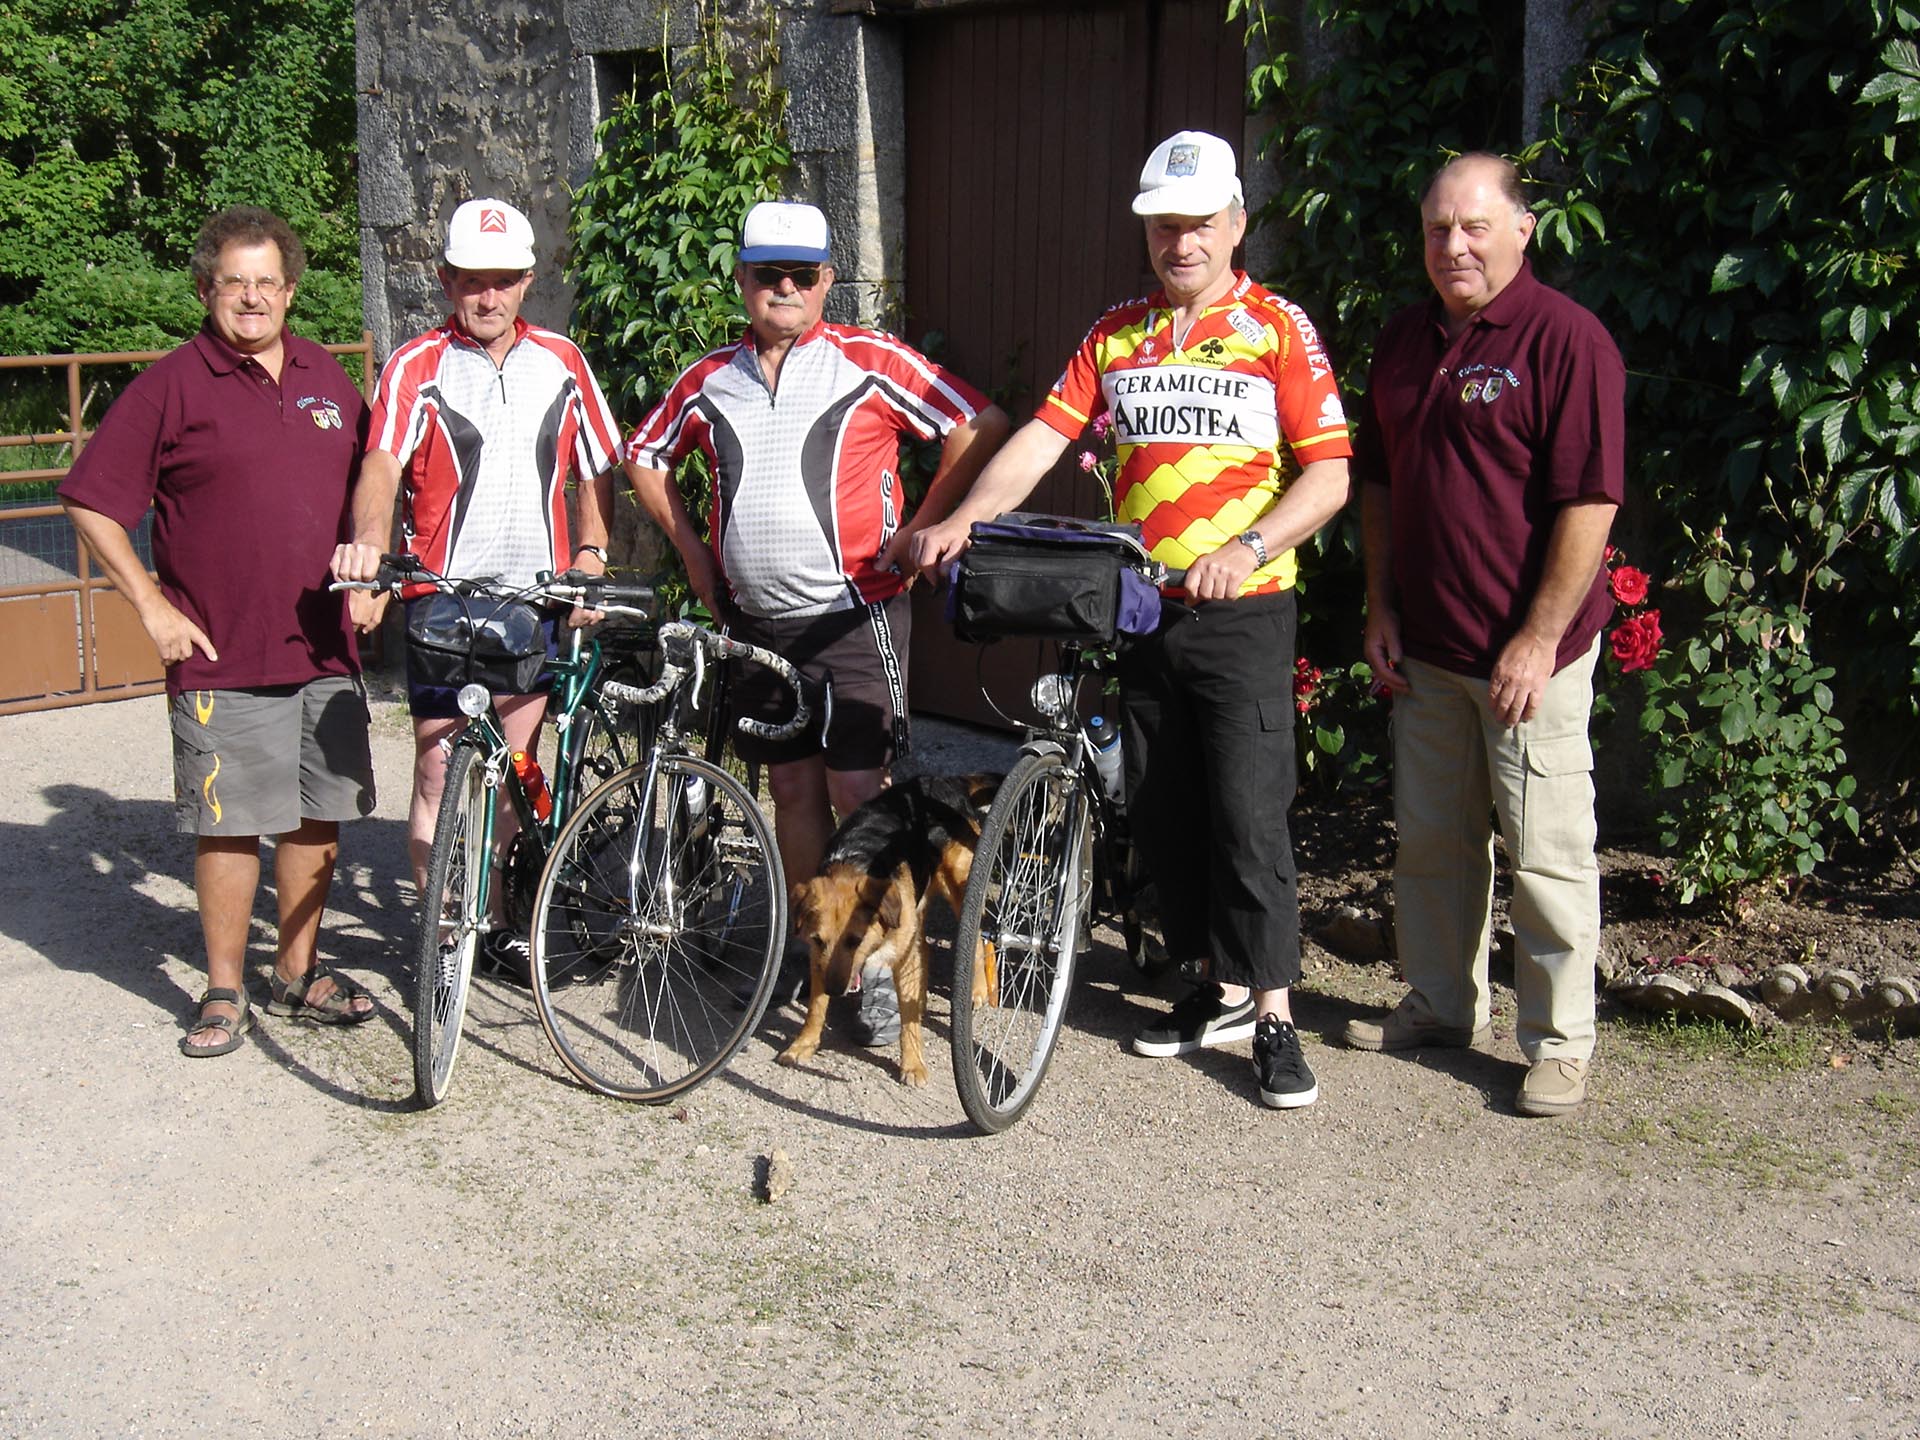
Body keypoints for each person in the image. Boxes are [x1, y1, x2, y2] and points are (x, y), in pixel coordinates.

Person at [914, 131, 1352, 1109]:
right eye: (1163, 225)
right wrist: (959, 519)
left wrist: (1250, 546)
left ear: (1236, 224)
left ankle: (1274, 1014)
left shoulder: (1277, 326)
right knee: (1163, 809)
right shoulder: (1116, 334)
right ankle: (1216, 984)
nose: (1180, 241)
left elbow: (1330, 471)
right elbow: (1040, 438)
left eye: (1198, 222)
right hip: (1143, 606)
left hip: (1246, 610)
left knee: (1248, 813)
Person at [623, 200, 1009, 1036]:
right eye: (769, 275)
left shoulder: (866, 359)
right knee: (791, 788)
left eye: (803, 275)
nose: (786, 289)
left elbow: (977, 424)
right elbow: (644, 455)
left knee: (861, 794)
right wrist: (692, 552)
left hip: (854, 616)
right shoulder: (707, 379)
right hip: (757, 624)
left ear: (829, 280)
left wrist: (926, 525)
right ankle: (818, 956)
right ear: (743, 280)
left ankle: (881, 963)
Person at [1342, 152, 1625, 1118]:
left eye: (1472, 226)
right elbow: (1377, 483)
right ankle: (1438, 1002)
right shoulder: (1404, 341)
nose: (1452, 245)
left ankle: (1559, 1043)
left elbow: (1590, 501)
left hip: (1527, 661)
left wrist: (1540, 638)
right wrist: (1382, 605)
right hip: (1428, 650)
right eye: (1435, 229)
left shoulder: (1566, 341)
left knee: (1546, 851)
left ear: (1522, 229)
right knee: (1432, 842)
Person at [60, 206, 378, 1056]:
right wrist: (151, 605)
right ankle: (226, 987)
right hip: (220, 652)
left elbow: (370, 491)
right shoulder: (173, 385)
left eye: (265, 281)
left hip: (322, 647)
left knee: (317, 817)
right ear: (206, 289)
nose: (250, 297)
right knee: (230, 821)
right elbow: (90, 500)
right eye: (232, 281)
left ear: (291, 289)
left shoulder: (327, 378)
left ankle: (298, 973)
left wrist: (377, 572)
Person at [330, 197, 621, 973]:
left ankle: (493, 916)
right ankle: (438, 933)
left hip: (534, 598)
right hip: (441, 597)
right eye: (469, 281)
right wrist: (365, 549)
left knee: (519, 771)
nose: (486, 298)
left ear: (527, 281)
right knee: (436, 764)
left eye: (502, 281)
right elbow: (381, 467)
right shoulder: (415, 364)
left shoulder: (562, 360)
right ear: (445, 280)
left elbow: (594, 466)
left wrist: (591, 553)